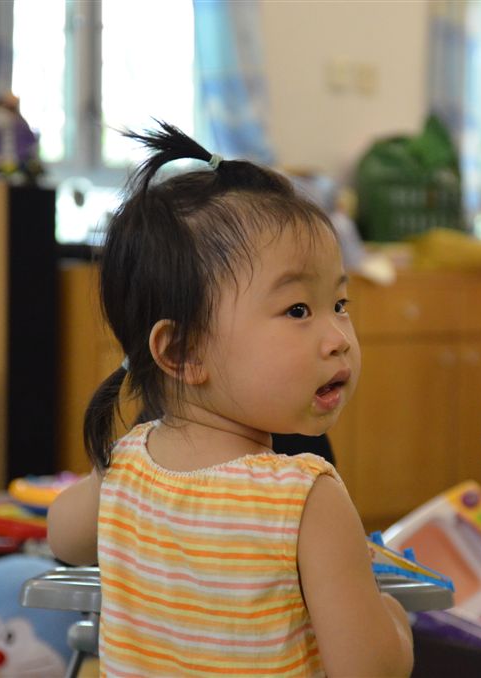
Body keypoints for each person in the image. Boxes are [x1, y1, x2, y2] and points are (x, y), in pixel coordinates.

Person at [47, 122, 413, 677]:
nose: (338, 337)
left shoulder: (127, 467)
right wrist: (393, 620)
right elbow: (370, 671)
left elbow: (62, 535)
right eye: (298, 310)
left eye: (339, 304)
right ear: (183, 352)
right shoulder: (306, 499)